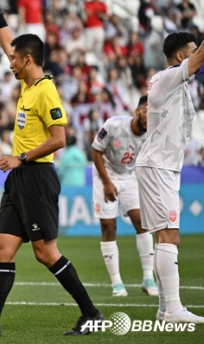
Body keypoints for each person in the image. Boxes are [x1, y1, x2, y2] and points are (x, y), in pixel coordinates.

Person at [0, 0, 103, 337]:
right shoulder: (28, 85)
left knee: (45, 253)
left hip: (36, 176)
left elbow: (59, 139)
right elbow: (9, 42)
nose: (10, 61)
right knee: (3, 248)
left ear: (29, 61)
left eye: (15, 59)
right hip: (19, 179)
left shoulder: (46, 90)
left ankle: (92, 313)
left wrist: (20, 157)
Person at [136, 33, 204, 323]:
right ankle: (174, 309)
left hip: (162, 165)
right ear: (181, 57)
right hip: (158, 166)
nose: (196, 55)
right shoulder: (168, 78)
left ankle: (165, 308)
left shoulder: (175, 83)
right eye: (191, 50)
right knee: (170, 235)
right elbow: (199, 58)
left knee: (164, 235)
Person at [91, 96, 158, 297]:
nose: (149, 119)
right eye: (147, 112)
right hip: (105, 173)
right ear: (138, 111)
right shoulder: (113, 125)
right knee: (108, 226)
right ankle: (117, 283)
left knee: (142, 222)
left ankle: (148, 278)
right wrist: (106, 183)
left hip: (129, 176)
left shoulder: (152, 136)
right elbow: (95, 151)